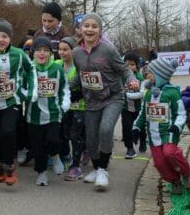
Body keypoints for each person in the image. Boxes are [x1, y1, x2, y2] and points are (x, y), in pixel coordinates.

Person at [69, 13, 139, 191]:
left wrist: (132, 80)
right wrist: (65, 87)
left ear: (100, 30)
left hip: (113, 98)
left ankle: (103, 169)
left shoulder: (108, 50)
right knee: (91, 138)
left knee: (106, 129)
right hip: (91, 100)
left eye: (94, 26)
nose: (90, 29)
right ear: (81, 29)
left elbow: (123, 69)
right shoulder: (76, 53)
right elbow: (80, 75)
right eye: (86, 26)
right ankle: (95, 168)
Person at [0, 19, 35, 186]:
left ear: (10, 38)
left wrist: (29, 91)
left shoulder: (19, 54)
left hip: (13, 101)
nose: (0, 39)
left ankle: (10, 166)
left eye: (4, 36)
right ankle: (0, 164)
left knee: (8, 131)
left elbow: (31, 69)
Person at [132, 57, 190, 194]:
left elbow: (181, 113)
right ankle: (175, 181)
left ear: (160, 75)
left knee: (170, 153)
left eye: (151, 73)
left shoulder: (172, 93)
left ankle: (187, 174)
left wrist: (177, 126)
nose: (148, 75)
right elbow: (143, 113)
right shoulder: (148, 93)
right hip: (153, 135)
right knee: (160, 163)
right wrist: (136, 127)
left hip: (169, 132)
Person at [26, 36, 69, 186]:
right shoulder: (29, 69)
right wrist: (28, 95)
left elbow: (65, 88)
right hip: (33, 116)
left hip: (53, 114)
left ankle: (56, 156)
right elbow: (22, 88)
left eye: (46, 51)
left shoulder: (57, 69)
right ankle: (41, 173)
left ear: (51, 53)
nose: (42, 54)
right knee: (37, 147)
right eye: (38, 50)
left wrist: (65, 103)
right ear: (33, 53)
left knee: (53, 140)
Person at [58, 37, 86, 181]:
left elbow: (84, 86)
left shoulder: (79, 66)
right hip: (63, 107)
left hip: (80, 106)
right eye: (60, 49)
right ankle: (68, 156)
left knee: (76, 135)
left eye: (65, 49)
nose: (62, 52)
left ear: (73, 51)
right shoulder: (56, 64)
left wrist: (72, 96)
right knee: (65, 134)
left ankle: (76, 167)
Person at [121, 52, 145, 158]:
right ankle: (130, 149)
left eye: (132, 64)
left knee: (140, 127)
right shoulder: (121, 77)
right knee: (126, 128)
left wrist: (129, 94)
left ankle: (143, 141)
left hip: (138, 108)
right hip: (126, 108)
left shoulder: (139, 77)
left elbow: (142, 94)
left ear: (137, 66)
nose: (129, 67)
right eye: (127, 65)